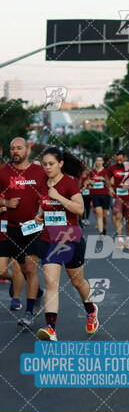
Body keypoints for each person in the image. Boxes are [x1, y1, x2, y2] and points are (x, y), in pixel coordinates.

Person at [35, 147, 98, 341]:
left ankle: (91, 309)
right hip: (49, 239)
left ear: (61, 163)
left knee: (77, 282)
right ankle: (51, 328)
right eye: (45, 164)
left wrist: (59, 197)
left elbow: (80, 209)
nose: (47, 167)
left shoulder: (69, 183)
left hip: (70, 239)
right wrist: (39, 215)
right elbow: (44, 205)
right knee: (51, 284)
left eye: (51, 164)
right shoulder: (42, 184)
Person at [0, 138, 46, 328]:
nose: (15, 151)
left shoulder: (39, 172)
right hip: (12, 227)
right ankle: (38, 294)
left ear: (27, 150)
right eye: (12, 148)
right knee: (23, 268)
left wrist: (41, 213)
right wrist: (5, 203)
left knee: (30, 267)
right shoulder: (3, 173)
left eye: (19, 148)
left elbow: (47, 195)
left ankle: (28, 313)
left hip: (33, 227)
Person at [108, 151, 129, 250]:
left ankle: (127, 239)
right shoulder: (112, 167)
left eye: (121, 159)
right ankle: (120, 240)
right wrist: (110, 188)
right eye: (117, 159)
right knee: (118, 216)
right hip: (118, 197)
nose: (119, 161)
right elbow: (106, 178)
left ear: (125, 158)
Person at [88, 156, 110, 239]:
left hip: (105, 195)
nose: (99, 162)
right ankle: (101, 233)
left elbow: (111, 182)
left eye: (100, 160)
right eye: (97, 160)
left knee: (104, 216)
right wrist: (90, 183)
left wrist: (103, 179)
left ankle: (104, 228)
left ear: (103, 162)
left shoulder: (106, 171)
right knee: (99, 214)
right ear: (95, 162)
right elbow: (89, 182)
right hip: (95, 195)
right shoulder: (92, 172)